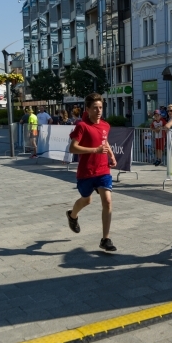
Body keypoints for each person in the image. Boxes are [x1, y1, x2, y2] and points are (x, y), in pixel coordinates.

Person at [66, 93, 118, 252]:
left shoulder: (105, 125)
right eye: (95, 108)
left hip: (103, 170)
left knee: (107, 201)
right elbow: (73, 147)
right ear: (87, 109)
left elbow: (104, 141)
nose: (99, 111)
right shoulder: (82, 126)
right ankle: (72, 215)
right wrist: (94, 150)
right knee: (86, 200)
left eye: (101, 107)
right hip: (86, 172)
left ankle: (105, 239)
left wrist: (111, 155)